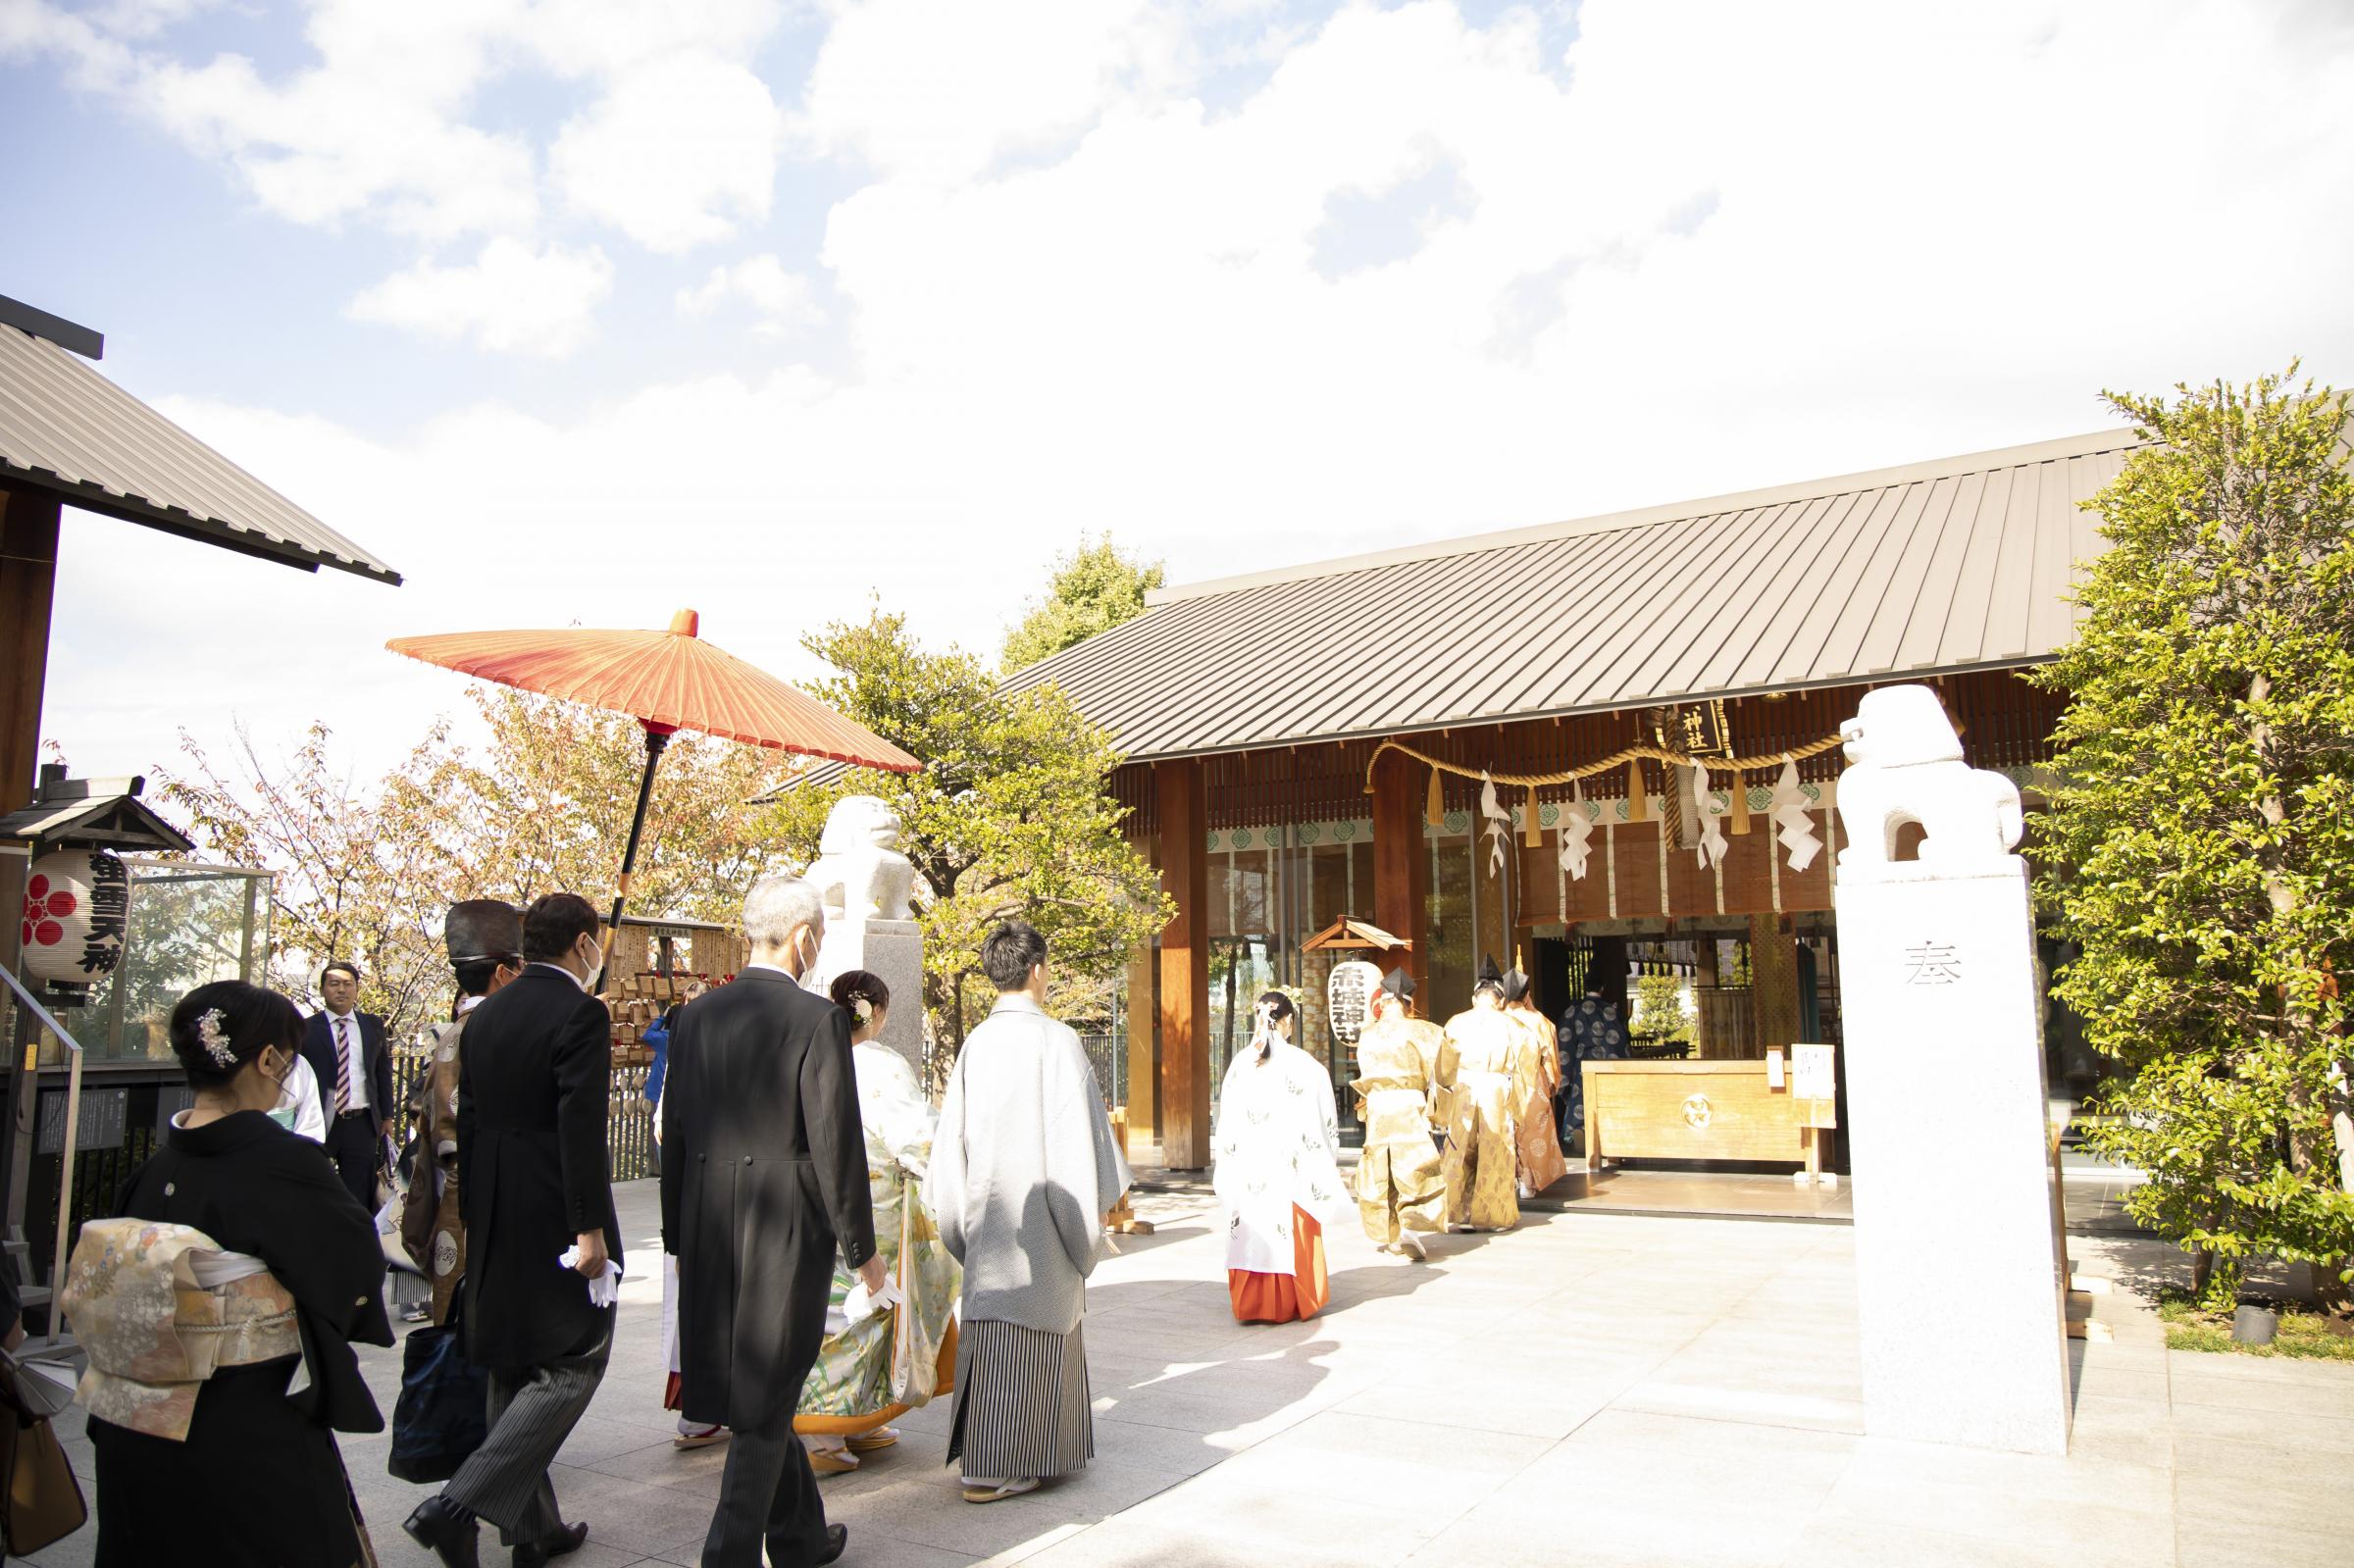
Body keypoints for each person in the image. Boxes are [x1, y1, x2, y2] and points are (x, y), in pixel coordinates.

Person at [76, 981, 391, 1566]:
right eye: (288, 1059)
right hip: (243, 1418)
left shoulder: (154, 1170)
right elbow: (353, 1270)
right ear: (268, 1059)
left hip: (135, 1421)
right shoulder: (286, 1165)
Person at [663, 877, 878, 1568]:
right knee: (767, 1393)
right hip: (783, 1227)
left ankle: (799, 1537)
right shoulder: (817, 1020)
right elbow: (835, 1145)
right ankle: (726, 1554)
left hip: (708, 1223)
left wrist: (675, 1233)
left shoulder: (696, 1015)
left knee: (766, 1385)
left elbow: (676, 1133)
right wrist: (864, 1251)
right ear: (804, 937)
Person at [405, 893, 619, 1568]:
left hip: (494, 1205)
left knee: (512, 1361)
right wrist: (589, 1228)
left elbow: (467, 1121)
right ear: (583, 943)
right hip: (555, 1206)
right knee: (576, 1359)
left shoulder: (485, 1013)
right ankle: (455, 1506)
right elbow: (579, 1125)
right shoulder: (581, 1012)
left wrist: (475, 1211)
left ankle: (533, 1531)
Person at [925, 920, 1128, 1505]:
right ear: (1037, 970)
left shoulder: (976, 1043)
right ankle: (1007, 1464)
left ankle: (985, 1457)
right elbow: (1076, 1143)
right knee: (1038, 1335)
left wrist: (960, 1223)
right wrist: (1087, 1226)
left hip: (989, 1222)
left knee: (994, 1335)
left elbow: (950, 1146)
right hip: (1044, 1221)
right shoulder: (1056, 1041)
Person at [796, 969, 961, 1474]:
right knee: (867, 1312)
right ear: (879, 1013)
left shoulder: (809, 1052)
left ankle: (859, 1419)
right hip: (875, 1207)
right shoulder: (881, 1065)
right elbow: (916, 1138)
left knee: (836, 1307)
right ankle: (823, 1432)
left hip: (815, 1200)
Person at [399, 898, 524, 1327]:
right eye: (520, 968)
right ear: (504, 973)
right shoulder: (496, 1033)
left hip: (456, 1190)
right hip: (489, 1192)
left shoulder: (452, 1035)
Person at [1211, 990, 1344, 1324]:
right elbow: (1325, 1122)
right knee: (1290, 1230)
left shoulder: (1241, 1064)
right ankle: (1292, 1301)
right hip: (1290, 1168)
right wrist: (1325, 1158)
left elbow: (1227, 1120)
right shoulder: (1306, 1065)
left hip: (1250, 1166)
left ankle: (1251, 1304)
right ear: (1289, 1021)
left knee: (1250, 1231)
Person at [1349, 966, 1448, 1260]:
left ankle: (1392, 1235)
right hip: (1408, 1104)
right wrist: (1440, 1110)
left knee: (1383, 1169)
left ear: (1383, 1001)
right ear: (1408, 1002)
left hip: (1378, 1107)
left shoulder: (1367, 1034)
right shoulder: (1424, 1030)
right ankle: (1410, 1227)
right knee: (1414, 1165)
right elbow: (1443, 1072)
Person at [1438, 956, 1522, 1232]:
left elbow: (1442, 1067)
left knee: (1460, 1151)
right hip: (1496, 1092)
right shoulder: (1512, 1025)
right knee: (1495, 1151)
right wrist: (1520, 1107)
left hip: (1462, 1090)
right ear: (1500, 1000)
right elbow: (1526, 1068)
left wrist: (1441, 1103)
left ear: (1475, 998)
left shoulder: (1455, 1022)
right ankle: (1493, 1215)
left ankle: (1459, 1212)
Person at [301, 959, 393, 1209]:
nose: (341, 989)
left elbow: (382, 1071)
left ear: (356, 989)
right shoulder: (306, 1028)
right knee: (315, 1184)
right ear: (323, 989)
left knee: (358, 1192)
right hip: (320, 1121)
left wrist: (387, 1115)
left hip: (361, 1121)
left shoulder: (372, 1025)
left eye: (348, 984)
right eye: (334, 984)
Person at [1503, 967, 1568, 1197]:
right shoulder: (1539, 1021)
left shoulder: (1497, 1020)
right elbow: (1550, 1057)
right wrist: (1551, 1082)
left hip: (1501, 1081)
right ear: (1527, 994)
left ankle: (1509, 1180)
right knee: (1532, 1130)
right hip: (1532, 1081)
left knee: (1506, 1129)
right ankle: (1528, 1183)